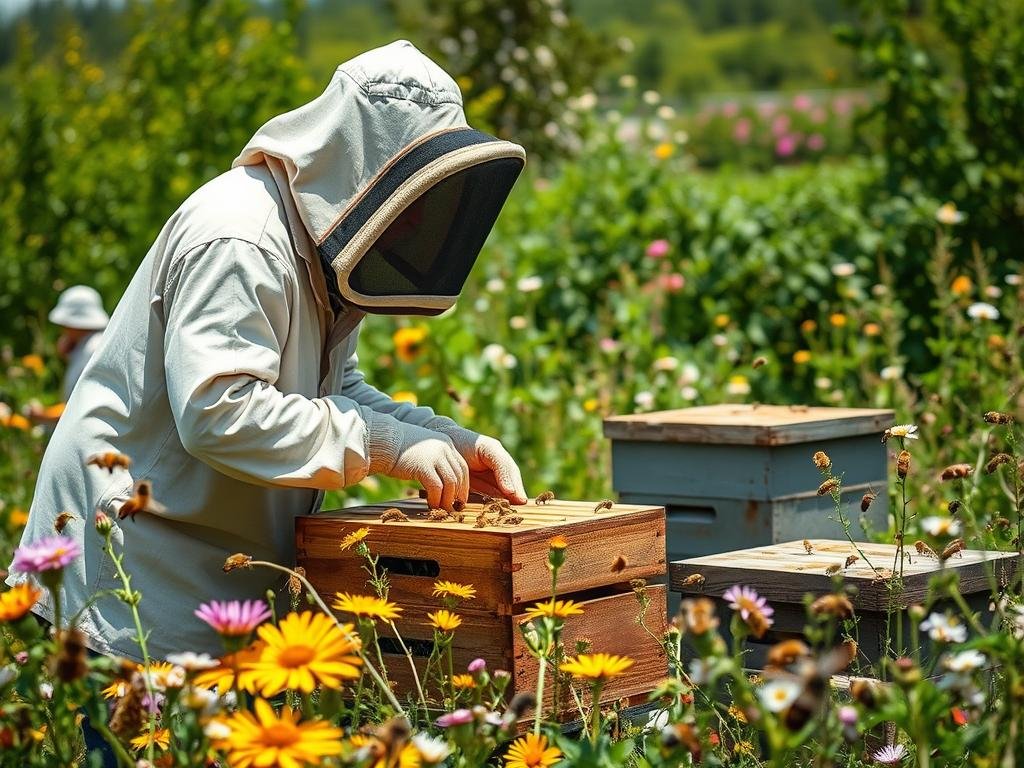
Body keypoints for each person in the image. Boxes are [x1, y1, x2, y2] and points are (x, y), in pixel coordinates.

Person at [7, 40, 529, 661]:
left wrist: (443, 438)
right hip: (131, 574)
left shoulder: (319, 245)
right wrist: (385, 445)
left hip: (207, 567)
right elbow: (220, 410)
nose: (418, 217)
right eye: (412, 190)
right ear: (361, 163)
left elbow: (331, 393)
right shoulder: (241, 238)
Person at [25, 285, 109, 424]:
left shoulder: (92, 349)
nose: (62, 329)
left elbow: (82, 407)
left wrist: (43, 416)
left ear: (74, 323)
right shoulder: (91, 344)